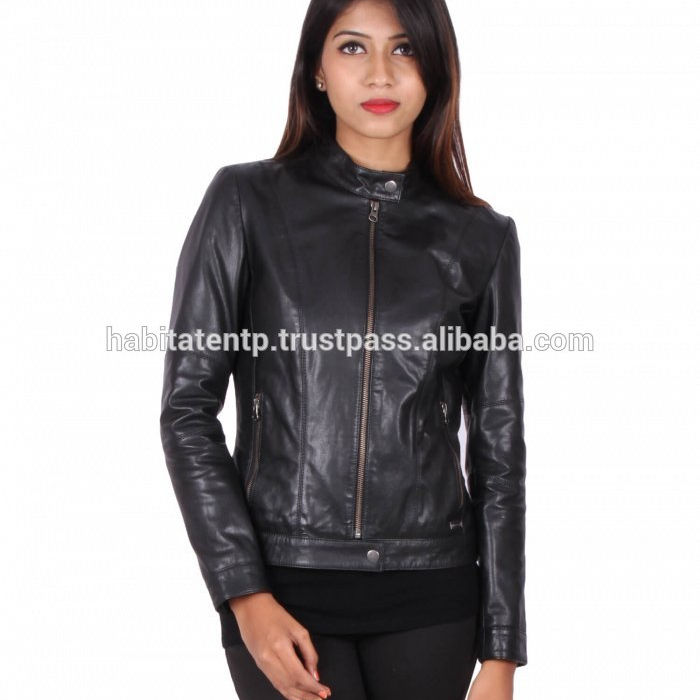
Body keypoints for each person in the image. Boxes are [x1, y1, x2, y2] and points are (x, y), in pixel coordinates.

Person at [159, 0, 527, 698]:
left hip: (432, 590)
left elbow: (499, 450)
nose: (380, 72)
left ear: (436, 68)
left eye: (404, 49)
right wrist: (244, 594)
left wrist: (502, 651)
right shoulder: (245, 202)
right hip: (283, 584)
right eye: (353, 48)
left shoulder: (482, 237)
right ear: (317, 70)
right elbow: (186, 412)